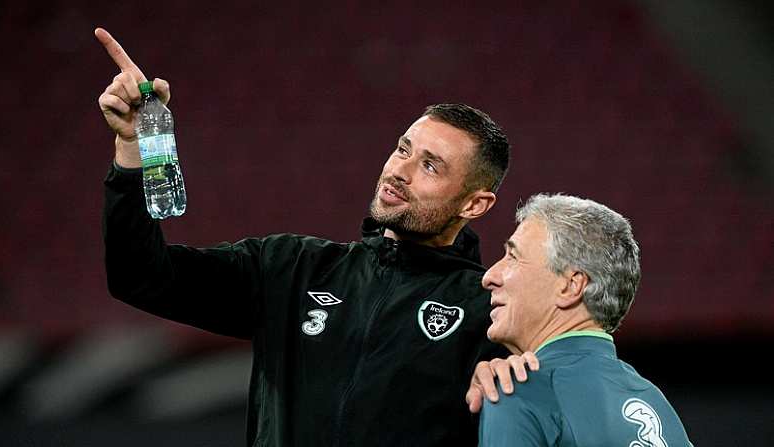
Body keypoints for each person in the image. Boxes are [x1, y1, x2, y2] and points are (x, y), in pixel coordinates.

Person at [95, 27, 526, 446]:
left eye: (430, 166)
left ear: (475, 205)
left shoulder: (491, 313)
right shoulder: (291, 268)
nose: (399, 171)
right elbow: (139, 276)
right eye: (403, 149)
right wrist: (135, 150)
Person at [479, 193, 693, 446]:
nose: (489, 276)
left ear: (571, 286)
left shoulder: (518, 392)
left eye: (513, 257)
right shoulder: (655, 404)